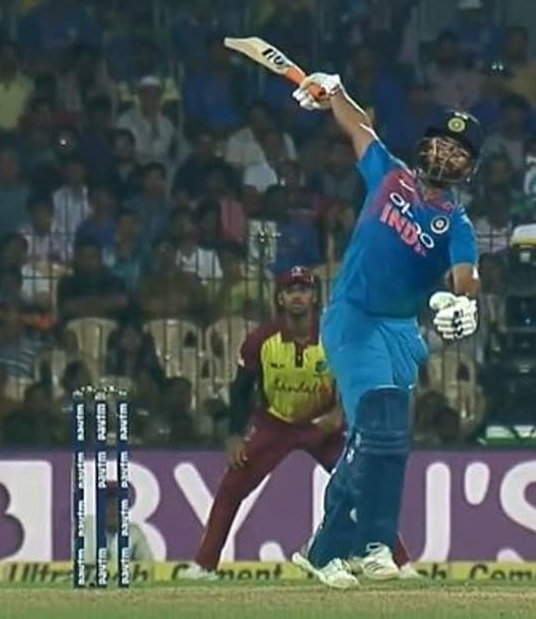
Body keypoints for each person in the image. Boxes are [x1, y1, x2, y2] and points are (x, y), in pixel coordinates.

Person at [284, 70, 481, 588]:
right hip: (354, 318)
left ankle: (372, 547)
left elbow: (467, 277)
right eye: (441, 144)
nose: (445, 156)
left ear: (468, 169)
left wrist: (464, 303)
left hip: (398, 332)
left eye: (458, 153)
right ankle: (326, 549)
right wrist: (336, 91)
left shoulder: (455, 224)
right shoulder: (388, 175)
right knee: (376, 428)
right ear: (425, 146)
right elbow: (358, 127)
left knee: (389, 441)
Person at [181, 267, 412, 579]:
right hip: (275, 424)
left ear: (314, 297)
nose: (298, 297)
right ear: (280, 298)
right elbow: (241, 390)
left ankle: (401, 562)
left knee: (365, 485)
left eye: (303, 290)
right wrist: (234, 434)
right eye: (291, 291)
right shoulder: (261, 340)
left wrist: (339, 413)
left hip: (322, 427)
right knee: (232, 486)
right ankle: (204, 565)